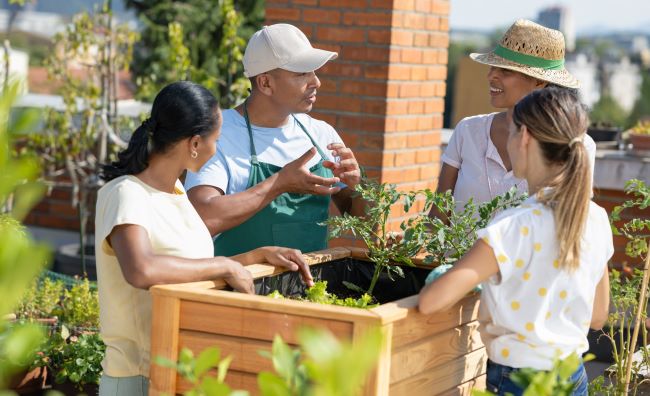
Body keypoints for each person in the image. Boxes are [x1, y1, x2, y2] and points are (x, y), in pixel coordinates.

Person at [95, 81, 313, 396]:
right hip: (136, 379)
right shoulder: (126, 193)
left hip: (180, 371)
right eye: (217, 140)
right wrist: (225, 265)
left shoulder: (177, 192)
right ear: (195, 143)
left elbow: (188, 269)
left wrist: (252, 258)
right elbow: (141, 269)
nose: (217, 148)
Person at [418, 87, 613, 396]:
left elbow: (432, 302)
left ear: (524, 138)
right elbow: (598, 315)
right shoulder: (596, 218)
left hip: (519, 381)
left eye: (510, 132)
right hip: (572, 376)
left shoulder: (512, 225)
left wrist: (449, 275)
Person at [185, 23, 364, 257]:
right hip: (239, 289)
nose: (316, 82)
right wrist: (279, 183)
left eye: (314, 72)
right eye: (302, 73)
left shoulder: (322, 134)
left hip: (313, 289)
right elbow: (202, 217)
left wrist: (358, 187)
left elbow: (360, 219)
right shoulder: (219, 134)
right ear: (265, 83)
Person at [433, 19, 596, 214]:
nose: (491, 76)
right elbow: (437, 217)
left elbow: (571, 222)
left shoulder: (578, 145)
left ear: (539, 82)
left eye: (506, 70)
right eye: (493, 67)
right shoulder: (467, 130)